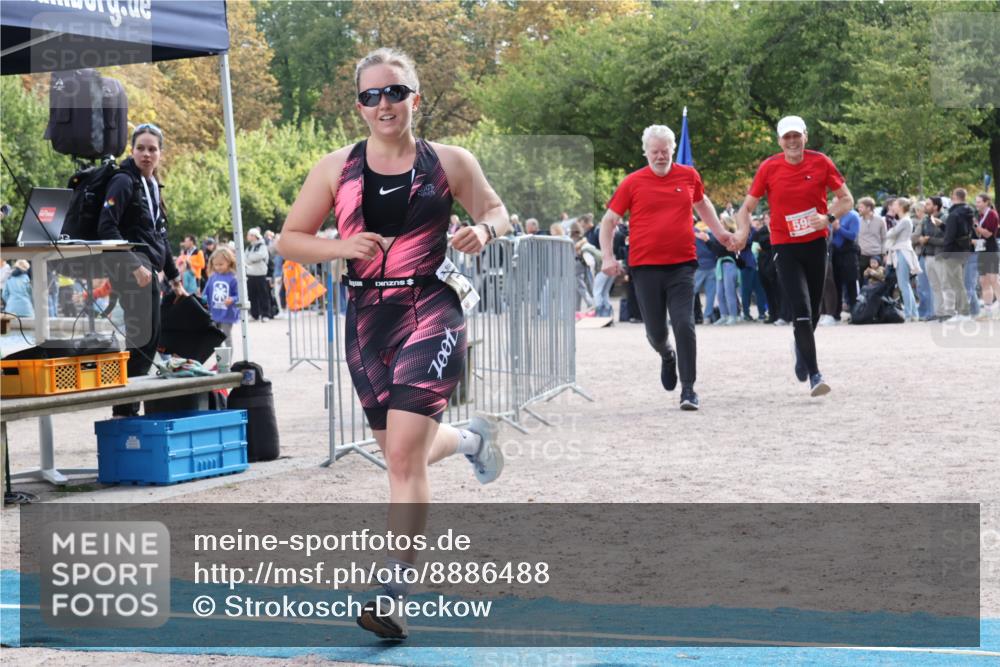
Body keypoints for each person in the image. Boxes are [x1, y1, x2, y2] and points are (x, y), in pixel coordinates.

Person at [276, 47, 511, 641]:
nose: (384, 103)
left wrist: (482, 229)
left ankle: (393, 592)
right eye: (372, 95)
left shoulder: (451, 162)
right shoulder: (336, 169)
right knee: (400, 455)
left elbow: (497, 209)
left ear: (415, 97)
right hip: (366, 319)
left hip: (431, 308)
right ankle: (470, 438)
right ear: (359, 106)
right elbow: (290, 240)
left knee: (403, 458)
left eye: (396, 92)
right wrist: (340, 249)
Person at [600, 124, 733, 410]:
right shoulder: (632, 182)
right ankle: (666, 354)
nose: (660, 156)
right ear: (646, 152)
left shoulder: (688, 176)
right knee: (656, 332)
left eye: (665, 151)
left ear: (673, 149)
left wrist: (720, 233)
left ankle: (688, 389)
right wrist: (608, 257)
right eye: (654, 152)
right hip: (645, 266)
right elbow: (609, 221)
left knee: (685, 324)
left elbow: (703, 204)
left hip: (682, 264)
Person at [733, 115, 854, 397]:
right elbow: (746, 208)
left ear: (805, 137)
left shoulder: (821, 162)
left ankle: (801, 347)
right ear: (779, 141)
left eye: (796, 136)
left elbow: (846, 198)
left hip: (815, 244)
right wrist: (742, 233)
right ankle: (815, 375)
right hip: (784, 246)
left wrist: (828, 217)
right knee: (800, 308)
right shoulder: (769, 167)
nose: (792, 142)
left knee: (811, 311)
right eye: (786, 137)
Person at [97, 122, 187, 416]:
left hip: (151, 269)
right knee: (142, 338)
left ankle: (128, 406)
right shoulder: (124, 182)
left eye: (152, 149)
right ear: (132, 150)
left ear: (160, 153)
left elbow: (160, 236)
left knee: (149, 339)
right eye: (141, 148)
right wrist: (133, 263)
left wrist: (174, 277)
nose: (146, 154)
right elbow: (106, 226)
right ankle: (124, 409)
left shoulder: (152, 185)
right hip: (131, 270)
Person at [939, 188, 975, 322]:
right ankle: (963, 312)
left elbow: (950, 235)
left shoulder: (954, 214)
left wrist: (946, 252)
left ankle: (964, 313)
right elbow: (961, 231)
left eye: (952, 195)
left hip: (953, 251)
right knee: (958, 282)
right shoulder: (967, 212)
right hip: (964, 249)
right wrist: (943, 226)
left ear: (955, 197)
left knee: (956, 282)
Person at [883, 197, 921, 321]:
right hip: (900, 251)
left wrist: (889, 232)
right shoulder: (903, 220)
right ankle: (913, 313)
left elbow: (891, 234)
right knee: (904, 283)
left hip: (902, 251)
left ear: (900, 206)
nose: (892, 207)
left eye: (895, 204)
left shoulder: (904, 221)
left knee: (903, 283)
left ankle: (910, 313)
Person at [203, 246, 240, 347]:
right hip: (214, 313)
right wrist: (203, 303)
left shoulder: (234, 278)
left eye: (221, 264)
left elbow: (239, 295)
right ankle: (221, 361)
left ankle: (227, 361)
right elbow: (205, 293)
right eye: (215, 265)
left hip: (227, 314)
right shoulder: (212, 277)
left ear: (229, 262)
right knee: (216, 339)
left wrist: (232, 299)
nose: (218, 267)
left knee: (227, 338)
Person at [973, 192, 999, 319]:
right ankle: (987, 309)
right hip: (982, 249)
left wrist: (977, 227)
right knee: (983, 280)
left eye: (978, 202)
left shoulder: (992, 214)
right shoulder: (980, 214)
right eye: (976, 202)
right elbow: (980, 234)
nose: (976, 204)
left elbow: (988, 234)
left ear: (986, 202)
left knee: (993, 279)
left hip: (991, 249)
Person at [856, 196, 886, 284]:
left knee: (877, 281)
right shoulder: (858, 221)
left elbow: (884, 238)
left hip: (876, 255)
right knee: (862, 280)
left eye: (861, 207)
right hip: (862, 256)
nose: (859, 209)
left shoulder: (880, 220)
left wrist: (884, 254)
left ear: (868, 208)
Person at [245, 227, 272, 321]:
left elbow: (260, 256)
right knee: (252, 295)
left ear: (254, 236)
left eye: (249, 235)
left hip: (260, 274)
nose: (248, 237)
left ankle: (265, 314)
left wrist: (249, 259)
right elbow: (245, 258)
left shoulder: (262, 246)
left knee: (263, 295)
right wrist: (250, 259)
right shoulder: (249, 247)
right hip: (250, 274)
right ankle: (254, 314)